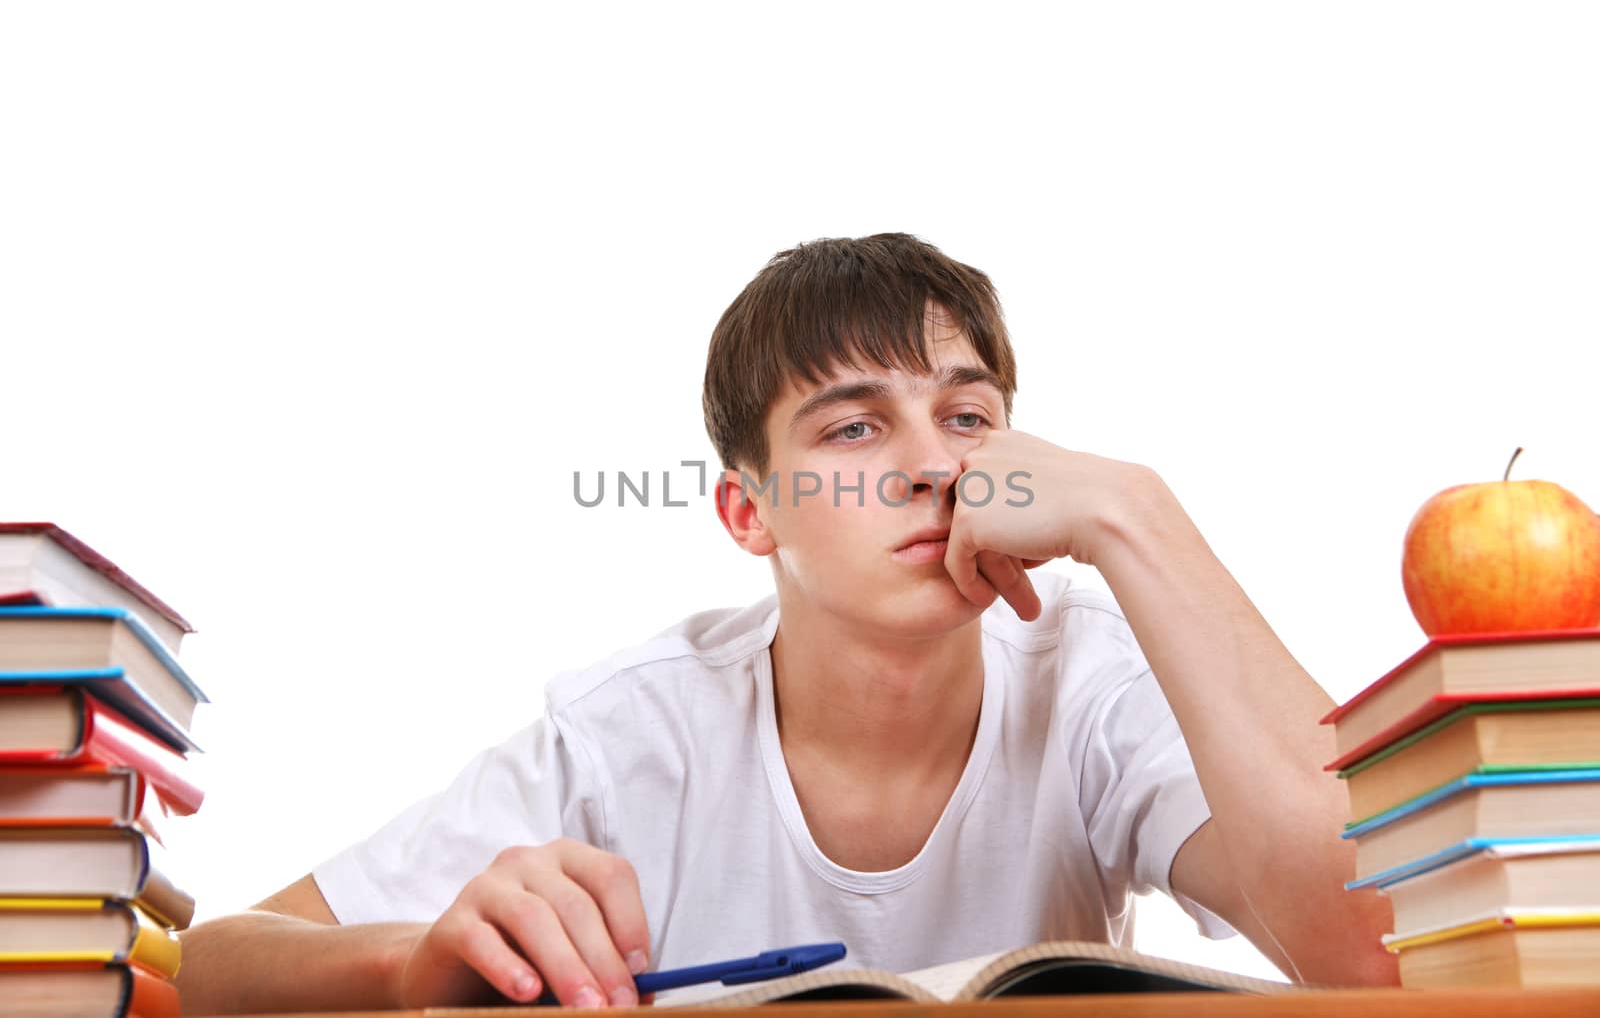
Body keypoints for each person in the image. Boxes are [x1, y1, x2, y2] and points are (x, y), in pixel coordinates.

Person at [177, 233, 1397, 1014]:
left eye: (969, 418)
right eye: (854, 428)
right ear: (746, 511)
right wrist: (413, 965)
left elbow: (1377, 952)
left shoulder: (1083, 675)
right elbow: (221, 961)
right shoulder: (637, 726)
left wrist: (1139, 519)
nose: (934, 465)